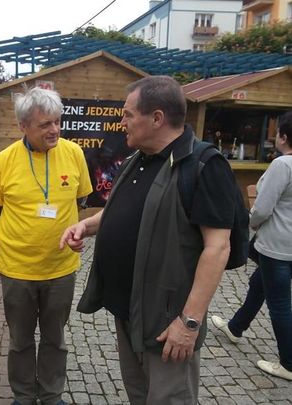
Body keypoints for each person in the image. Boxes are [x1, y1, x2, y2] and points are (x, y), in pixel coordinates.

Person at [60, 76, 236, 404]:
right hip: (129, 310)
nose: (121, 122)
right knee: (139, 395)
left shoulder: (203, 165)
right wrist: (85, 226)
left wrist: (189, 323)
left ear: (156, 118)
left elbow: (218, 247)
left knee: (169, 398)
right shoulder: (135, 160)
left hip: (167, 321)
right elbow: (121, 211)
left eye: (128, 115)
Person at [0, 86, 92, 405]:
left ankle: (51, 394)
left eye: (57, 121)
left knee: (55, 338)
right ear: (23, 126)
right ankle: (23, 396)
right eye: (45, 124)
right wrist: (24, 238)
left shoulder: (74, 153)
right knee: (20, 340)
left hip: (60, 268)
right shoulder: (2, 162)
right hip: (16, 269)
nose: (54, 129)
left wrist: (73, 233)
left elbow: (81, 201)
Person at [248, 111, 292, 380]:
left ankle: (288, 362)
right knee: (258, 285)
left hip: (277, 245)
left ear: (283, 137)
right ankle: (236, 326)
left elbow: (262, 208)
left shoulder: (282, 165)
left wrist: (251, 223)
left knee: (279, 304)